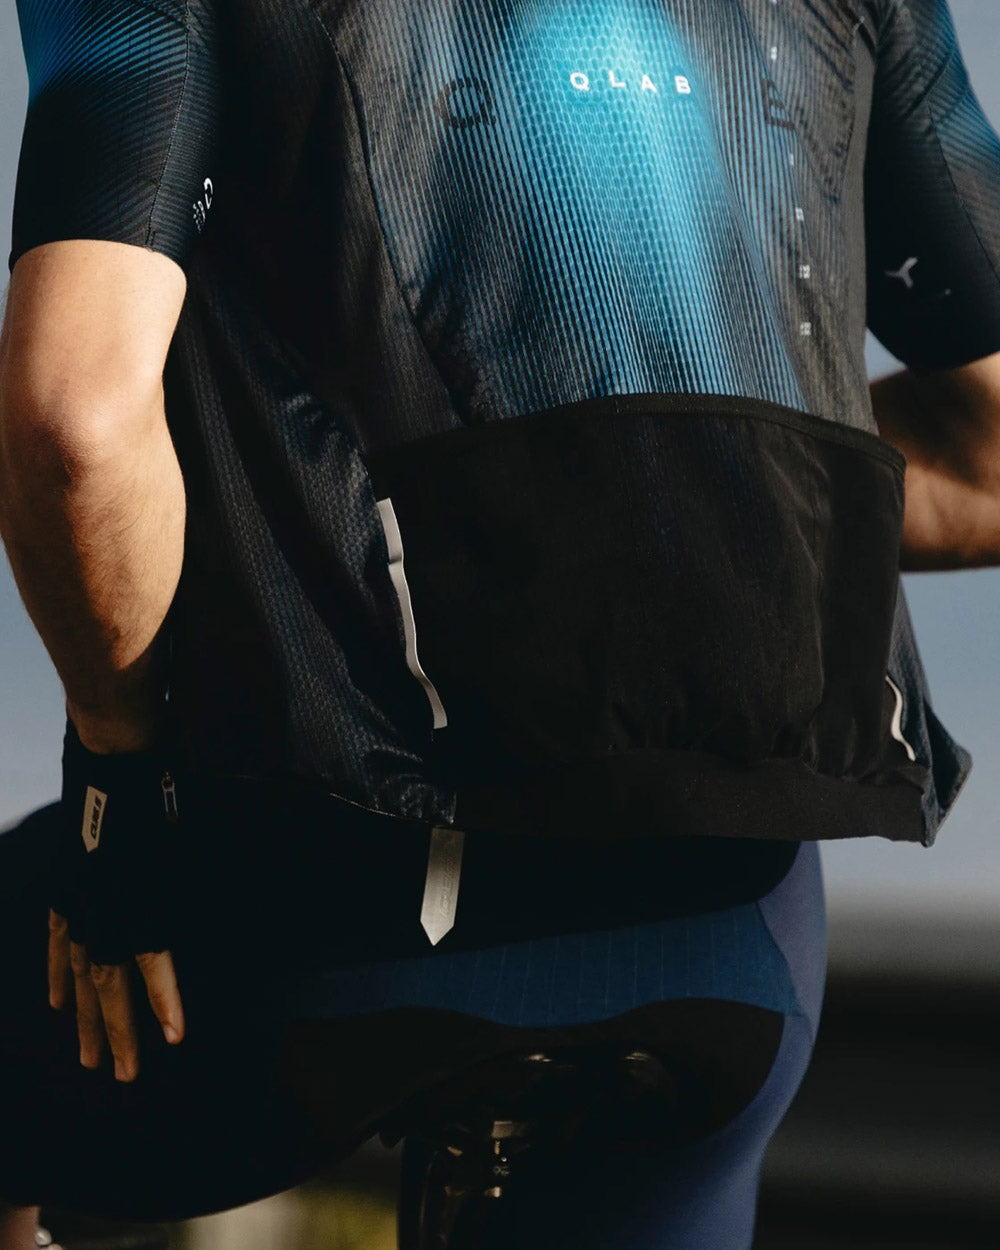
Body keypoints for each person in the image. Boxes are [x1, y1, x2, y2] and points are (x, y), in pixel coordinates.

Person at [1, 0, 998, 1246]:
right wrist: (712, 488)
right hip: (726, 946)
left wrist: (117, 783)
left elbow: (78, 424)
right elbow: (991, 453)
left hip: (315, 894)